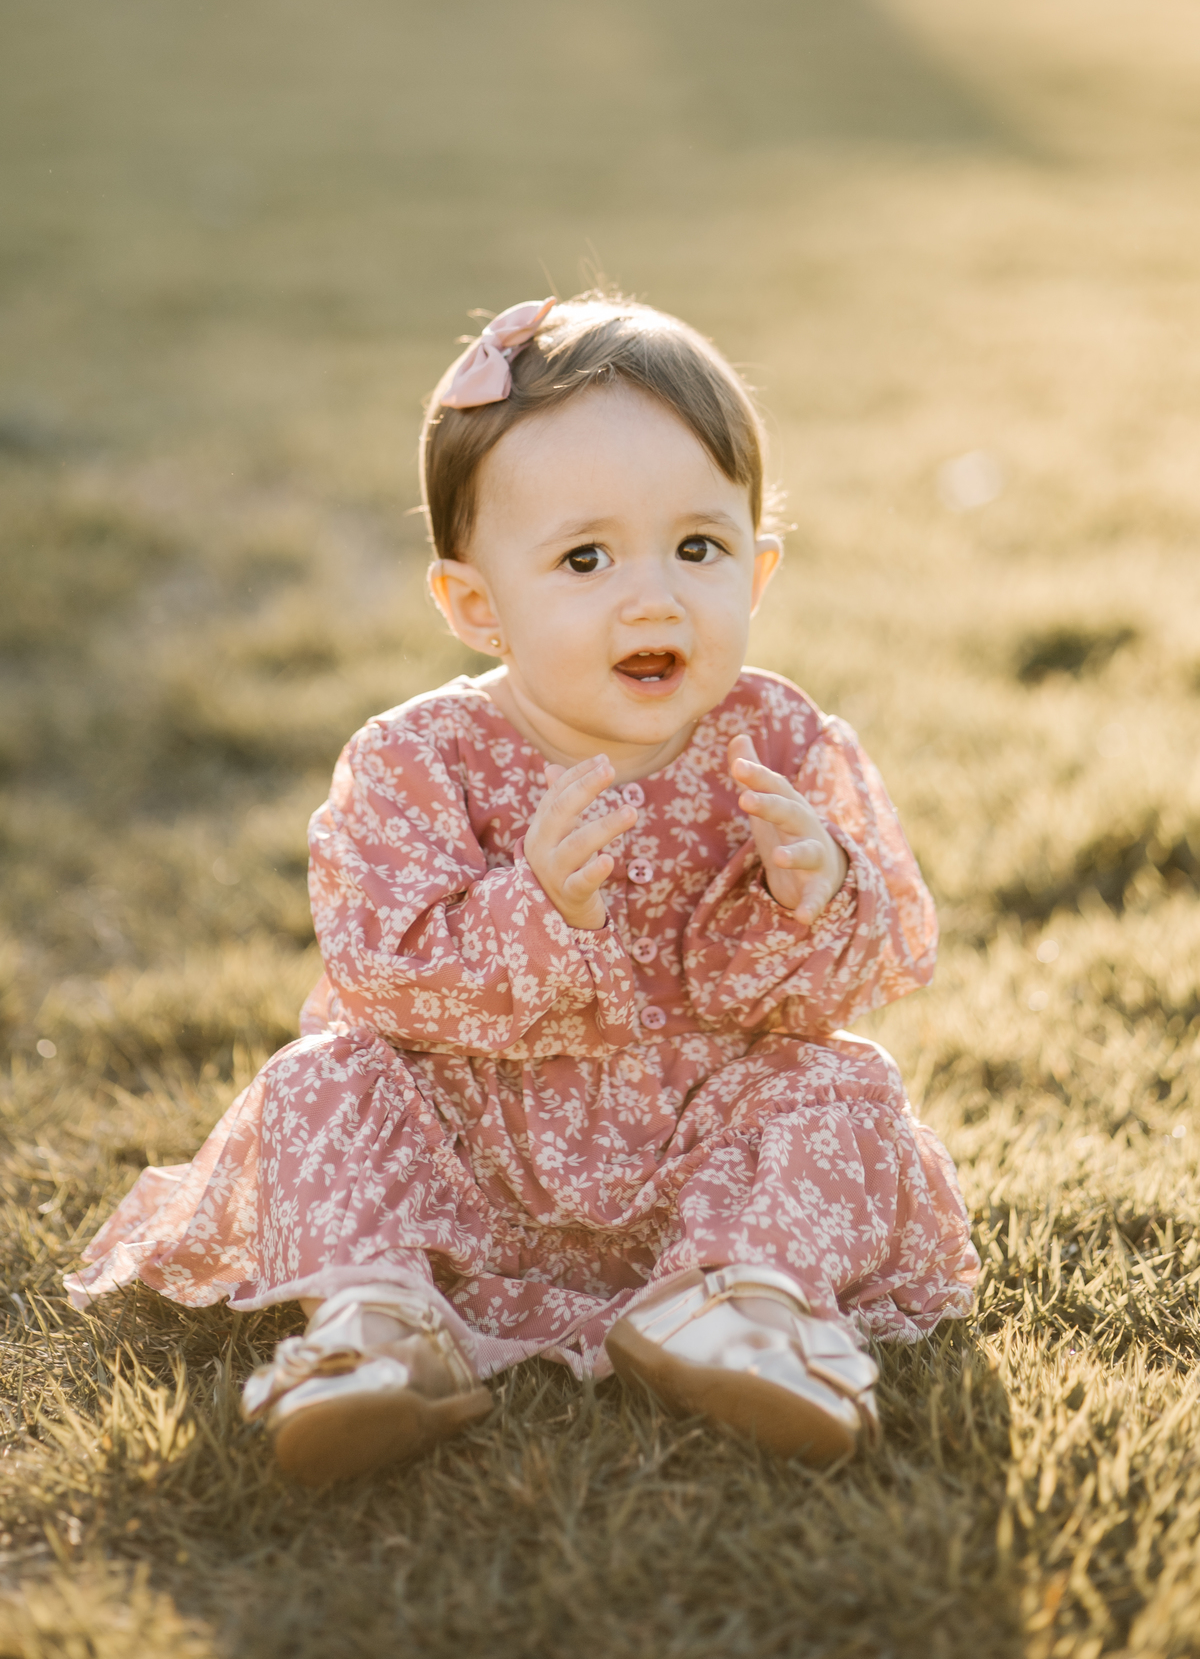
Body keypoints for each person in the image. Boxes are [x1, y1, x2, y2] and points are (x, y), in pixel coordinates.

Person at [65, 292, 978, 1487]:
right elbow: (383, 972)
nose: (653, 598)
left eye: (697, 548)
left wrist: (817, 893)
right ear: (476, 605)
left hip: (695, 1143)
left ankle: (735, 1300)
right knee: (324, 1079)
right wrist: (538, 910)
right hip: (474, 1147)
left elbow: (877, 964)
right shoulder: (415, 760)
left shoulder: (784, 743)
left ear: (757, 570)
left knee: (846, 1086)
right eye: (586, 559)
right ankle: (382, 1321)